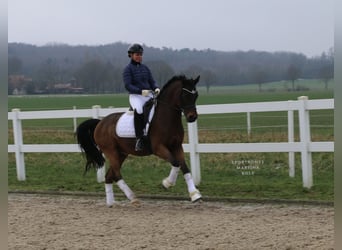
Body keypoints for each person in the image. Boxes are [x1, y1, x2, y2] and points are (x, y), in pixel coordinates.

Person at [123, 43, 160, 151]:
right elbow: (128, 85)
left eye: (140, 54)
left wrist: (156, 87)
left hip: (148, 94)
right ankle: (139, 139)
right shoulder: (127, 69)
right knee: (139, 110)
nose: (139, 56)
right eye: (137, 54)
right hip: (135, 96)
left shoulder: (145, 68)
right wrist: (140, 91)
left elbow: (151, 81)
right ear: (131, 55)